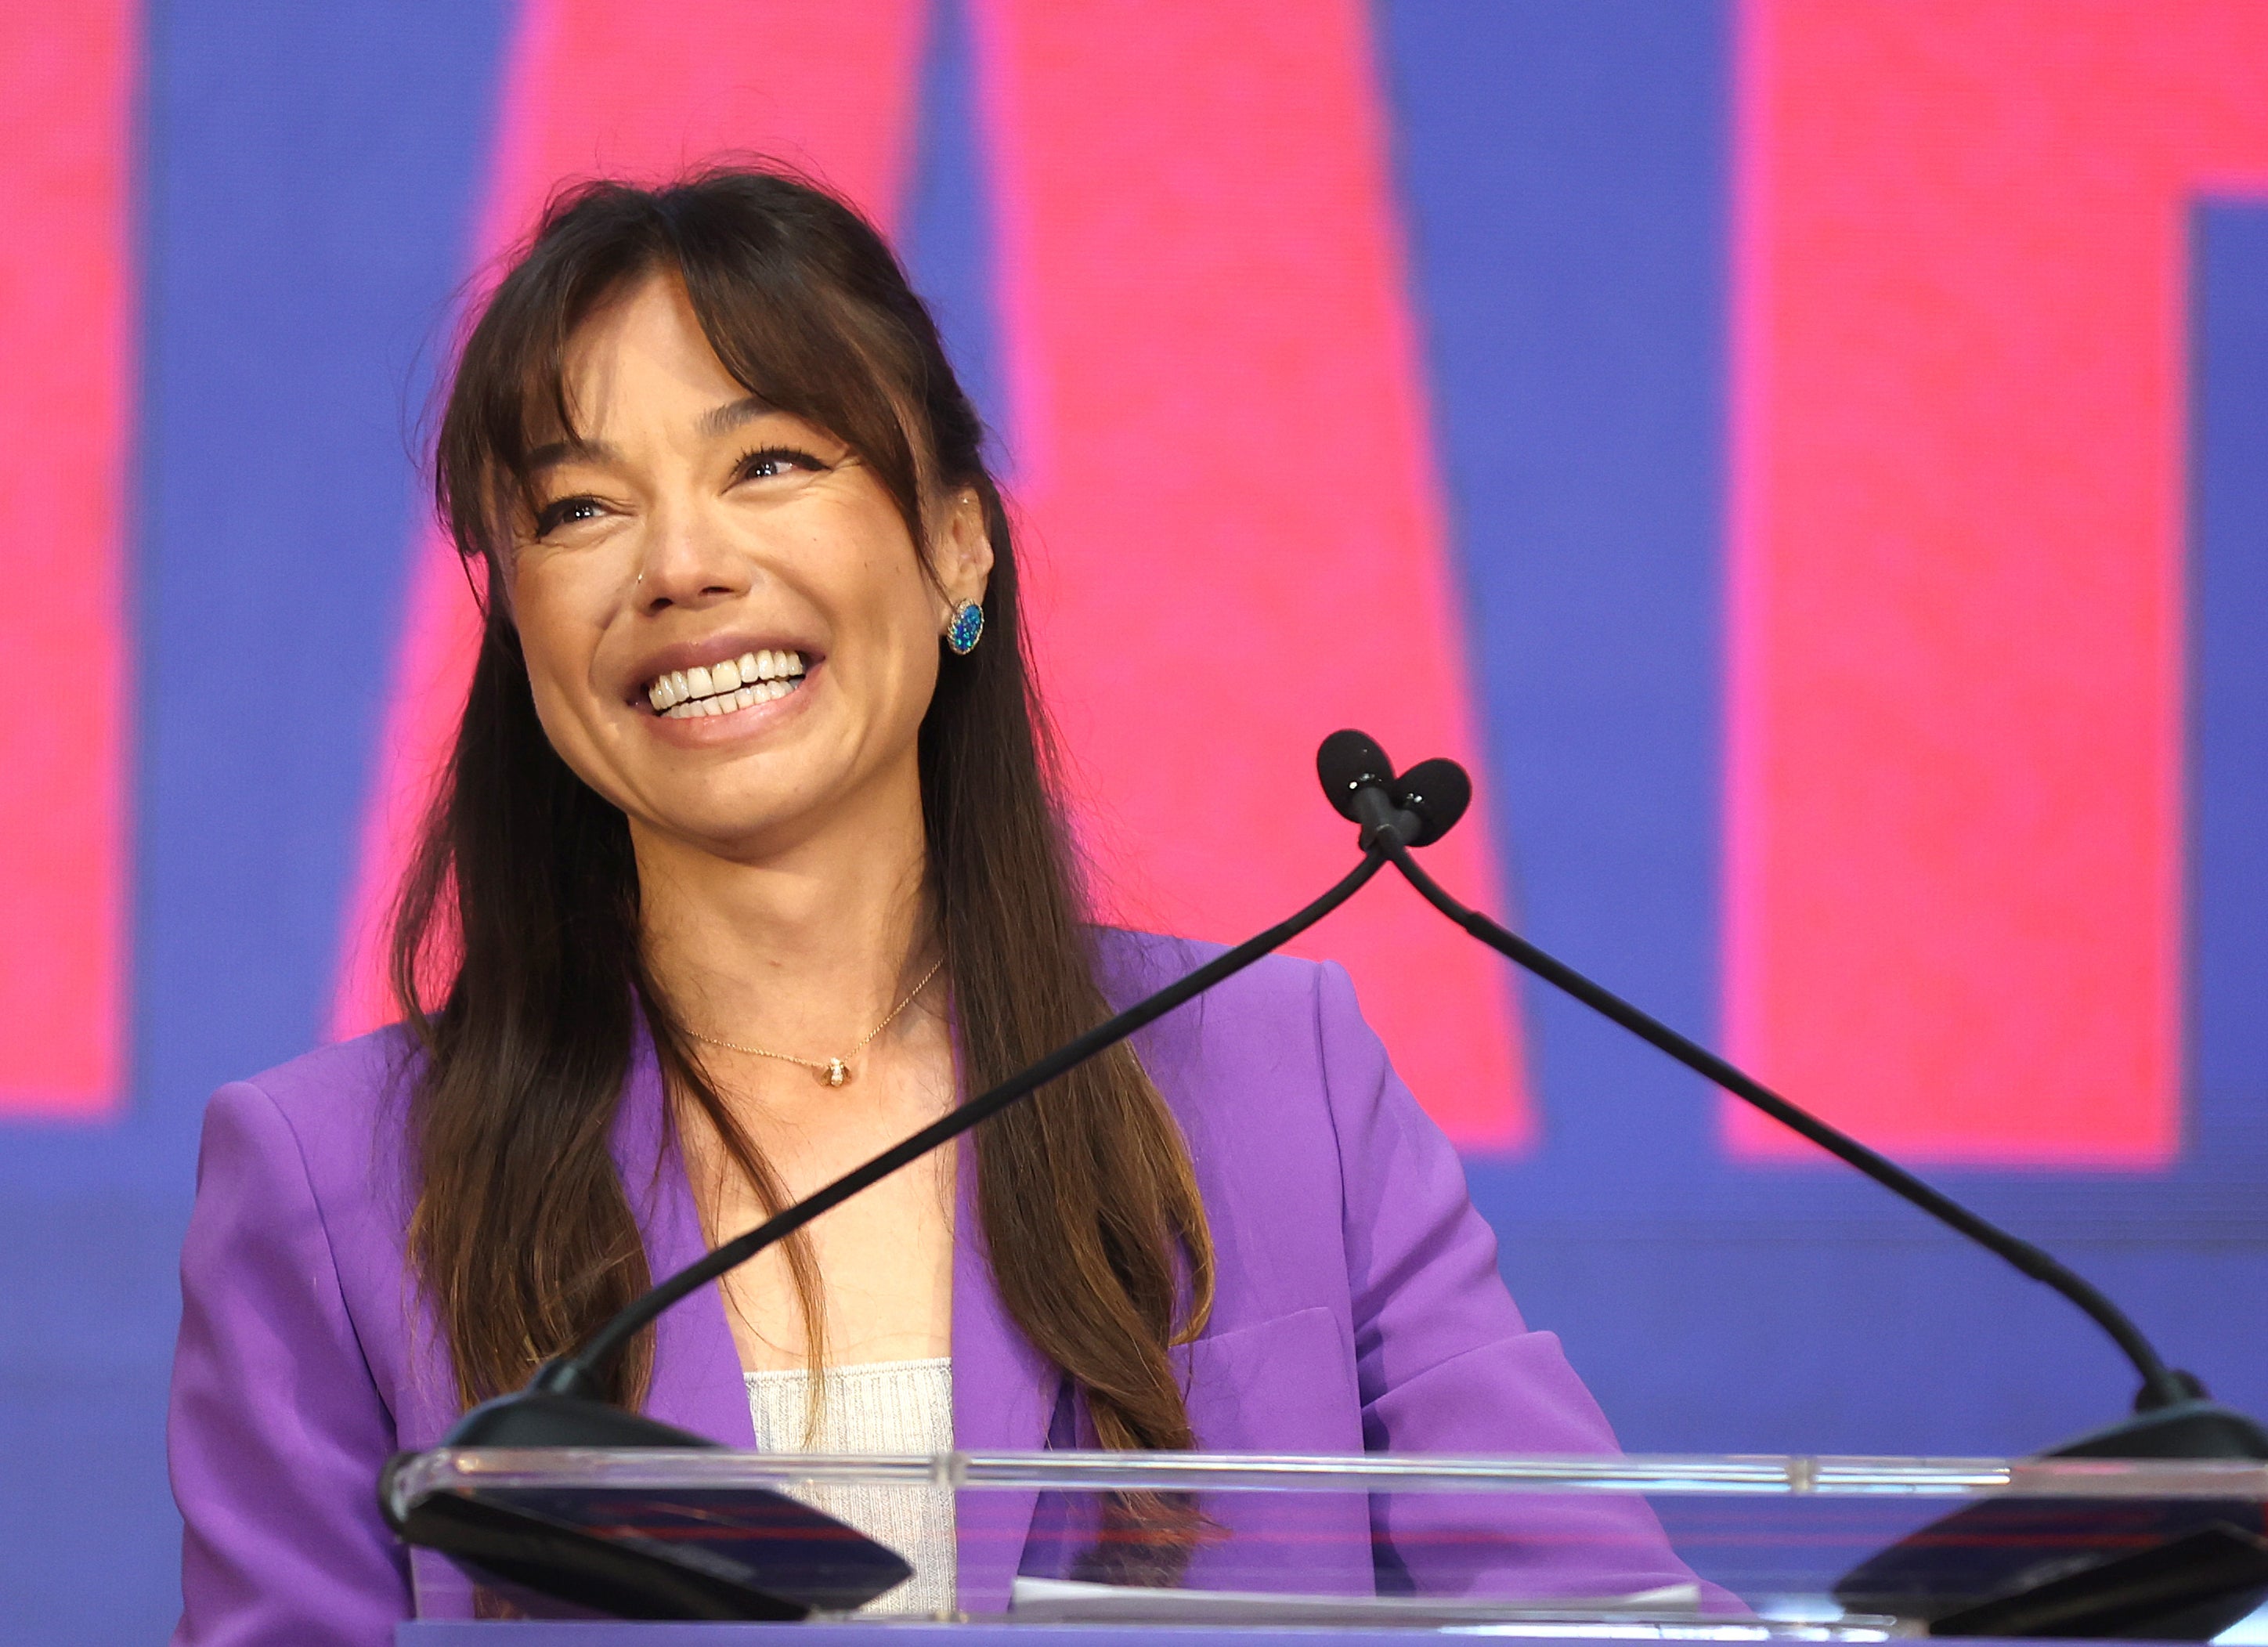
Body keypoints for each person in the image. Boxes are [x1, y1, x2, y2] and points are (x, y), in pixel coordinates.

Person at [166, 167, 1698, 1644]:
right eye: (578, 508)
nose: (682, 564)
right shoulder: (333, 1184)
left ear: (956, 540)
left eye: (768, 462)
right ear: (520, 618)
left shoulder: (1274, 1079)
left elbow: (1600, 1611)